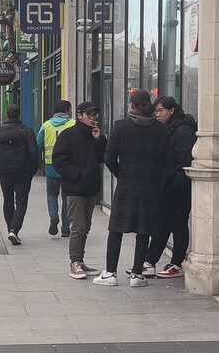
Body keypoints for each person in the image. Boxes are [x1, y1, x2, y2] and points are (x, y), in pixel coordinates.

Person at [97, 89, 171, 287]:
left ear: (132, 105)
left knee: (116, 230)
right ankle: (137, 274)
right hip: (150, 188)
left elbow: (109, 158)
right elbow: (167, 162)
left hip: (126, 185)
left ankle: (110, 273)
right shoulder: (161, 130)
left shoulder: (120, 127)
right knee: (143, 231)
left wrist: (122, 174)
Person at [143, 96, 197, 277]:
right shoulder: (167, 128)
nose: (157, 114)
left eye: (160, 111)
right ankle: (150, 261)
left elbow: (184, 160)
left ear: (171, 110)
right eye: (155, 111)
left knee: (178, 224)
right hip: (166, 186)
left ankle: (176, 263)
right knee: (163, 224)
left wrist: (175, 183)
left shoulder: (182, 130)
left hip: (177, 187)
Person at [52, 102, 107, 279]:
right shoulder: (68, 135)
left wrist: (99, 139)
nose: (93, 119)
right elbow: (59, 160)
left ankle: (80, 261)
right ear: (80, 115)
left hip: (91, 189)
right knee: (78, 227)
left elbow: (102, 157)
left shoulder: (94, 136)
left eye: (95, 116)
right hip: (75, 188)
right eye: (89, 115)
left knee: (86, 227)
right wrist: (76, 175)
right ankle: (74, 262)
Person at [0, 104, 40, 246]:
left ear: (6, 114)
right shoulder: (26, 131)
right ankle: (14, 229)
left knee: (8, 199)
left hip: (5, 171)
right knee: (21, 201)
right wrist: (32, 169)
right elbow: (34, 152)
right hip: (23, 171)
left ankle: (11, 228)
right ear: (19, 114)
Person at [37, 100, 75, 238]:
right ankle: (66, 228)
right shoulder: (73, 124)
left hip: (51, 166)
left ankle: (53, 215)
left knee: (52, 194)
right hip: (69, 167)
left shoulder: (46, 125)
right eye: (70, 109)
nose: (71, 112)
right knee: (66, 197)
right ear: (66, 110)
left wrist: (38, 164)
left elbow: (38, 145)